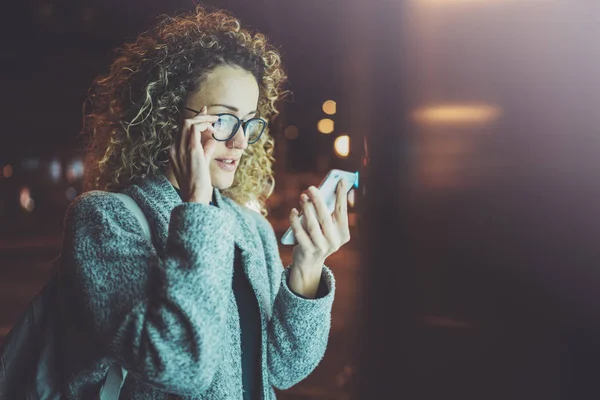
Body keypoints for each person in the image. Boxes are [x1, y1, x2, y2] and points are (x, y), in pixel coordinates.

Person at [56, 5, 351, 400]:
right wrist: (196, 208)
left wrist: (309, 266)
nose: (241, 141)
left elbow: (286, 369)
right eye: (224, 119)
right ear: (167, 116)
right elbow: (178, 367)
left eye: (249, 121)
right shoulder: (105, 218)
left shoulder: (252, 229)